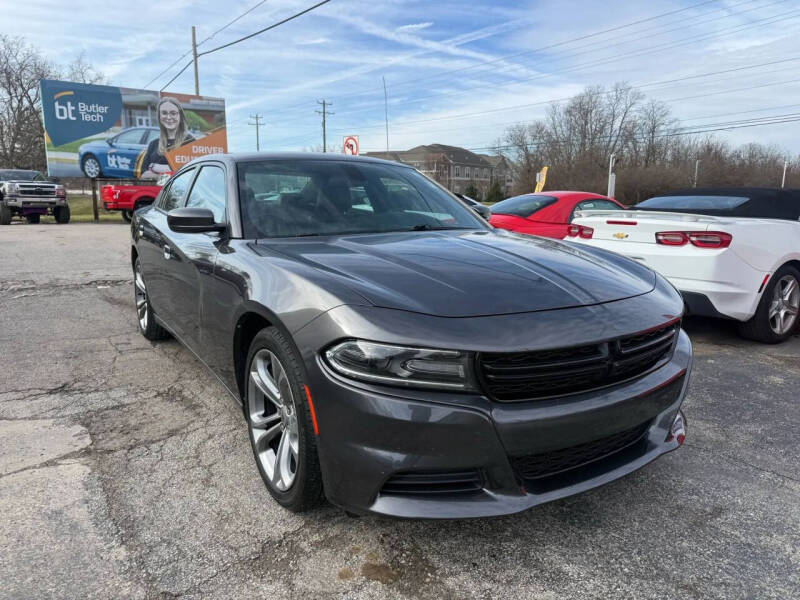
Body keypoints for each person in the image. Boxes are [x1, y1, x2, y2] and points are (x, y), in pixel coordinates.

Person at [139, 97, 195, 179]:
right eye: (164, 113)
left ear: (180, 116)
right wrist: (168, 171)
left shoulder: (190, 142)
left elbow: (190, 174)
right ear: (159, 116)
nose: (168, 117)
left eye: (173, 113)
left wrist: (155, 167)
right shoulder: (153, 144)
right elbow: (143, 175)